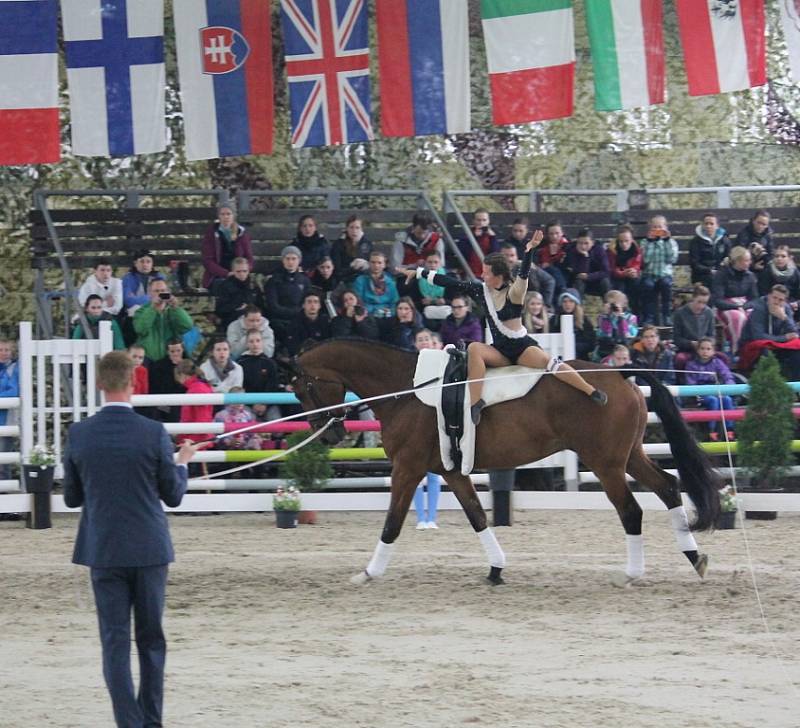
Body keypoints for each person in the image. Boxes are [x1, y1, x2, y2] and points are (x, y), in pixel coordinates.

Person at [62, 351, 197, 728]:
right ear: (133, 382)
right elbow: (172, 494)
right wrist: (182, 462)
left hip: (104, 548)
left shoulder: (79, 434)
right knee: (151, 639)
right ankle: (151, 721)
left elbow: (72, 497)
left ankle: (129, 723)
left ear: (101, 385)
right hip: (149, 548)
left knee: (115, 642)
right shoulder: (153, 432)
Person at [405, 231, 606, 426]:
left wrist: (529, 251)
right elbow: (451, 282)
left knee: (549, 362)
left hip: (522, 348)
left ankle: (590, 391)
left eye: (486, 272)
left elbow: (524, 275)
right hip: (499, 349)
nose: (482, 275)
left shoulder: (515, 293)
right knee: (474, 348)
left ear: (498, 275)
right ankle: (476, 403)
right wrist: (419, 273)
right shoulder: (480, 290)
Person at [413, 328, 442, 530]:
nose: (423, 342)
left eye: (426, 339)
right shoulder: (410, 364)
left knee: (433, 472)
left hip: (435, 418)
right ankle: (420, 518)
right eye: (420, 340)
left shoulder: (439, 363)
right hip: (415, 422)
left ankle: (431, 517)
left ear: (433, 343)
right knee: (414, 471)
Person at [739, 284, 800, 379]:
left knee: (797, 350)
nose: (776, 302)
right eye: (774, 298)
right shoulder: (759, 308)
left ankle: (796, 387)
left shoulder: (786, 308)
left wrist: (784, 318)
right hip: (754, 345)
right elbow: (758, 336)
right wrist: (784, 338)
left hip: (776, 344)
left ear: (785, 301)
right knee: (766, 351)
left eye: (780, 300)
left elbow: (794, 334)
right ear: (769, 296)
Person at [683, 337, 737, 441]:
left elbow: (728, 376)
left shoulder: (717, 362)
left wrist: (727, 388)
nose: (705, 351)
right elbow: (691, 384)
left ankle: (730, 431)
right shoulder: (691, 364)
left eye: (708, 349)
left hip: (717, 390)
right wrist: (700, 392)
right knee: (713, 400)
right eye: (702, 348)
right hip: (701, 395)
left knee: (727, 399)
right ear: (698, 350)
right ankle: (712, 431)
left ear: (713, 351)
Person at [711, 245, 758, 356]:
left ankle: (754, 349)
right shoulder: (721, 275)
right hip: (726, 307)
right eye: (746, 260)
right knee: (738, 318)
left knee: (756, 315)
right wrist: (736, 307)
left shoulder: (750, 276)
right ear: (737, 261)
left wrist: (745, 306)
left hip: (744, 305)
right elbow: (718, 300)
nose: (749, 263)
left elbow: (755, 299)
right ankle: (737, 349)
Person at [132, 279, 194, 362]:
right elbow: (141, 329)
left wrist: (176, 308)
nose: (160, 294)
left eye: (163, 291)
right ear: (149, 293)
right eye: (156, 291)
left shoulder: (173, 310)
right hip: (149, 359)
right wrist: (153, 308)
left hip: (170, 359)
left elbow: (187, 326)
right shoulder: (141, 311)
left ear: (168, 292)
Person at [263, 245, 312, 345]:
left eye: (294, 259)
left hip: (300, 319)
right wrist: (293, 313)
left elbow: (307, 302)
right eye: (287, 259)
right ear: (283, 260)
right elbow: (273, 306)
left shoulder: (305, 281)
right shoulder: (273, 281)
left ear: (299, 260)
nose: (290, 262)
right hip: (279, 320)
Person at [201, 202, 254, 292]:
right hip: (217, 276)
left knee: (244, 287)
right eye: (223, 214)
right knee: (228, 288)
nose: (226, 217)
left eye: (228, 214)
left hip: (239, 274)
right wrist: (226, 274)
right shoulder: (211, 233)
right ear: (219, 216)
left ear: (233, 215)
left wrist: (243, 271)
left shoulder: (242, 233)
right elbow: (207, 261)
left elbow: (249, 258)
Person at [640, 215, 679, 325]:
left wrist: (666, 241)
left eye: (660, 227)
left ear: (666, 228)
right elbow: (645, 260)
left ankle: (666, 315)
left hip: (664, 274)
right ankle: (649, 317)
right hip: (649, 274)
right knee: (648, 286)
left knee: (666, 285)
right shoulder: (645, 242)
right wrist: (650, 242)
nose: (657, 230)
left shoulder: (671, 242)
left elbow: (671, 259)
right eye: (654, 227)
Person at [500, 241, 555, 309]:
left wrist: (545, 304)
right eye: (505, 255)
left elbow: (549, 281)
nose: (509, 259)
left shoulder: (527, 267)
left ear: (517, 257)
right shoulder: (493, 271)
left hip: (530, 306)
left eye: (512, 255)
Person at [671, 284, 715, 369]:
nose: (701, 306)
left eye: (704, 303)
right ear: (693, 298)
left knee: (722, 358)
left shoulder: (709, 312)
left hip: (705, 349)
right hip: (687, 350)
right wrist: (691, 343)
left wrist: (706, 344)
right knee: (680, 359)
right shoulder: (680, 313)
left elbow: (712, 335)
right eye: (699, 302)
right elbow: (677, 339)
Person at [213, 257, 265, 329]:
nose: (242, 274)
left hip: (254, 318)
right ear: (233, 271)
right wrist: (237, 306)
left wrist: (249, 307)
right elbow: (220, 310)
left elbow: (261, 306)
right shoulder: (225, 286)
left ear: (248, 270)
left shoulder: (253, 285)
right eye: (238, 271)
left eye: (244, 271)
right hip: (233, 319)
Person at [563, 228, 610, 302]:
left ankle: (608, 305)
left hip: (595, 279)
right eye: (580, 243)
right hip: (580, 280)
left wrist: (589, 276)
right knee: (579, 282)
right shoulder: (572, 251)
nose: (583, 246)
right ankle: (578, 307)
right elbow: (578, 272)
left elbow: (606, 271)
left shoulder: (599, 251)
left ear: (592, 243)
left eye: (586, 243)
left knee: (605, 282)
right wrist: (585, 257)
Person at [549, 288, 597, 361]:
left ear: (576, 303)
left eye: (571, 301)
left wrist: (574, 346)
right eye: (565, 302)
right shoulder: (555, 319)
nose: (568, 304)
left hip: (580, 358)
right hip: (558, 357)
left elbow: (591, 342)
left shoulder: (584, 320)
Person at [606, 225, 642, 317]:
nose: (624, 244)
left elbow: (637, 264)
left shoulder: (636, 250)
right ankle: (619, 314)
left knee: (636, 285)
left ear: (631, 240)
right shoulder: (612, 251)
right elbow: (611, 268)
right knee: (619, 288)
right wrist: (622, 273)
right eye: (621, 241)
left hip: (630, 276)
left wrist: (634, 271)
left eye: (626, 241)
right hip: (616, 277)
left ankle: (636, 315)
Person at [213, 386, 264, 451]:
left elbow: (252, 432)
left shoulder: (247, 415)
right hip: (227, 448)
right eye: (237, 399)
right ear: (230, 399)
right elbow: (215, 436)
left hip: (245, 447)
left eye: (242, 399)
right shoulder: (220, 415)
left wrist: (256, 437)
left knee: (255, 442)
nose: (240, 402)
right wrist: (229, 442)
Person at [688, 212, 731, 288]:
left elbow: (729, 257)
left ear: (717, 226)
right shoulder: (695, 242)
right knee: (713, 280)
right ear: (702, 225)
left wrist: (726, 261)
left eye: (711, 224)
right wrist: (709, 270)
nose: (708, 226)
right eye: (706, 224)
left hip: (720, 272)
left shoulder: (724, 240)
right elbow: (694, 263)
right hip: (701, 275)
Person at [353, 250, 399, 319]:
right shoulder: (360, 280)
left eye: (379, 263)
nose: (376, 265)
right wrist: (375, 310)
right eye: (373, 262)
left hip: (386, 316)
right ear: (369, 263)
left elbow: (395, 303)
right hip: (366, 315)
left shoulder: (391, 282)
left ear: (384, 265)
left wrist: (390, 311)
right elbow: (358, 301)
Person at [149, 338, 186, 423]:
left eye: (178, 351)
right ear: (167, 352)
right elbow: (154, 390)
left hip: (184, 403)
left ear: (183, 350)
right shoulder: (158, 367)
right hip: (162, 405)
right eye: (172, 351)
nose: (176, 354)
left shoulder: (189, 365)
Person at [285, 290, 332, 356]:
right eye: (309, 302)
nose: (312, 305)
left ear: (319, 306)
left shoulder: (326, 322)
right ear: (303, 305)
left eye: (316, 302)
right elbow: (293, 348)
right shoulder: (295, 323)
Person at [596, 289, 638, 360]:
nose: (614, 306)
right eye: (611, 304)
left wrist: (621, 318)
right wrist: (606, 317)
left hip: (625, 348)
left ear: (624, 304)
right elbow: (605, 334)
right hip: (607, 348)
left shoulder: (631, 317)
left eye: (616, 303)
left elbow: (629, 335)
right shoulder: (603, 317)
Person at [121, 249, 165, 317]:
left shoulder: (159, 277)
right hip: (136, 313)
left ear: (152, 264)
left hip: (157, 309)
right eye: (142, 261)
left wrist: (140, 299)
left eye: (148, 262)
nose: (145, 264)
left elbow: (165, 296)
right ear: (135, 263)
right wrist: (152, 298)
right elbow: (129, 300)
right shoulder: (128, 278)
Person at [458, 208, 500, 278]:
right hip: (470, 272)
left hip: (488, 273)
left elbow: (495, 254)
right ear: (474, 221)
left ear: (488, 221)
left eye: (484, 220)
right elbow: (464, 253)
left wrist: (493, 238)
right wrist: (475, 238)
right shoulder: (467, 235)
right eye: (478, 220)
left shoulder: (492, 236)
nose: (481, 223)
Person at [330, 214, 372, 280]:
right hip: (346, 278)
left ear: (361, 229)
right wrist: (352, 268)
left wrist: (366, 264)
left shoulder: (366, 243)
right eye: (351, 227)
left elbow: (371, 262)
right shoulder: (338, 244)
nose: (354, 231)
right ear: (347, 228)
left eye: (357, 228)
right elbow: (337, 270)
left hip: (365, 277)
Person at [0, 339, 19, 482]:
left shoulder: (15, 368)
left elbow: (14, 391)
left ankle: (4, 492)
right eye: (0, 350)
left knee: (3, 457)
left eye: (6, 350)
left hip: (6, 419)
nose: (3, 353)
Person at [535, 220, 569, 293]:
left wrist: (552, 262)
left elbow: (568, 263)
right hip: (545, 273)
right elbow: (536, 261)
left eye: (557, 233)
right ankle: (564, 291)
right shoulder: (542, 246)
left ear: (562, 233)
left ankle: (563, 291)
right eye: (551, 234)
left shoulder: (567, 246)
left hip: (563, 272)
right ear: (547, 235)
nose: (554, 236)